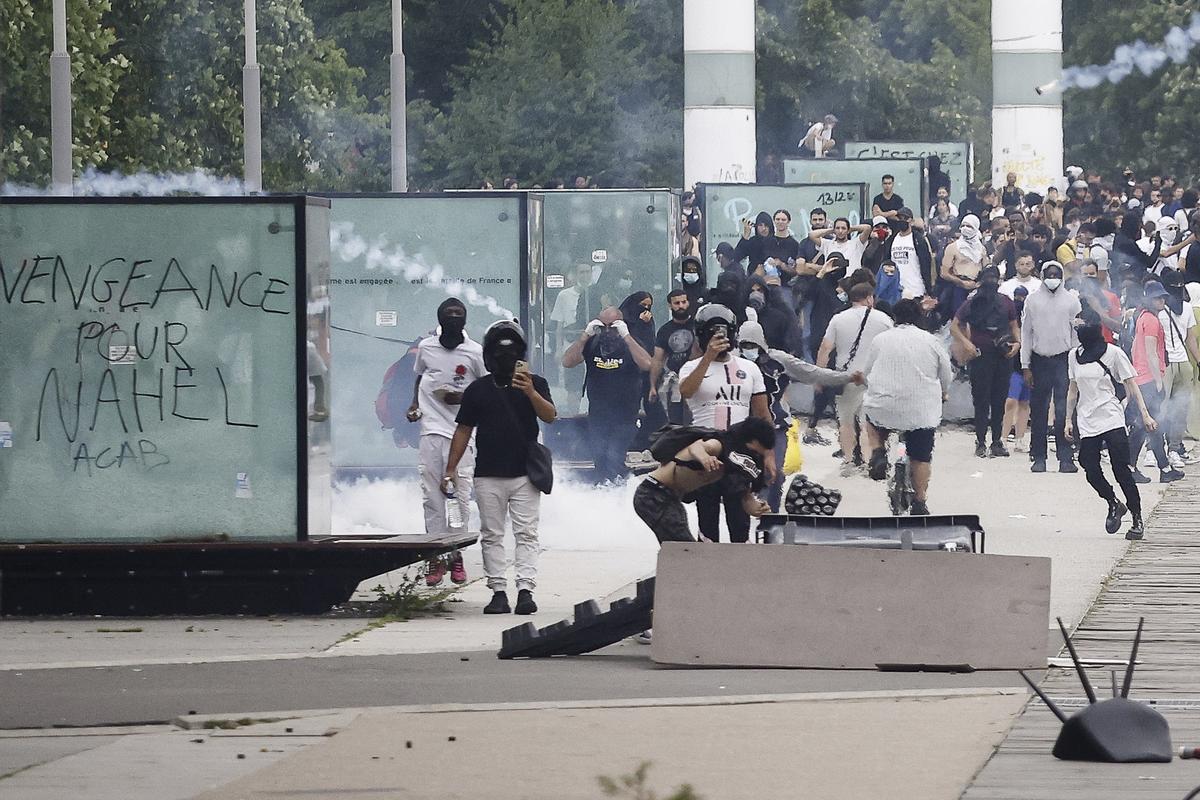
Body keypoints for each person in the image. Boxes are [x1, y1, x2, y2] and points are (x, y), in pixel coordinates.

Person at [446, 321, 556, 615]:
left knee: (526, 534)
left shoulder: (536, 383)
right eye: (500, 351)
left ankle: (525, 589)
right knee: (492, 534)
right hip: (487, 474)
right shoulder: (477, 390)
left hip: (525, 474)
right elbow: (463, 430)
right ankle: (498, 591)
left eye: (512, 352)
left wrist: (531, 392)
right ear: (490, 356)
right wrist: (450, 468)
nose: (506, 358)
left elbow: (550, 416)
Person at [409, 299, 488, 587]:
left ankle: (455, 555)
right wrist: (413, 404)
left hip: (462, 431)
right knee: (432, 497)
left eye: (459, 315)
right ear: (440, 317)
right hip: (430, 430)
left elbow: (486, 387)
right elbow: (418, 377)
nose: (454, 318)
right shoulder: (427, 347)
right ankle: (434, 557)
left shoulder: (475, 352)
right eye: (449, 314)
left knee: (458, 496)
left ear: (465, 320)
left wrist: (462, 398)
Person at [679, 304, 773, 543]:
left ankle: (738, 570)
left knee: (740, 521)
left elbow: (762, 415)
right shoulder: (690, 368)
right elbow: (687, 391)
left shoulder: (749, 368)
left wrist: (769, 455)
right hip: (705, 451)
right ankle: (707, 569)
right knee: (707, 519)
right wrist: (708, 357)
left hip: (740, 454)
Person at [1065, 322, 1156, 540]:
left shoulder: (1114, 353)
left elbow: (1132, 385)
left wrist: (1145, 414)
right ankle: (1113, 502)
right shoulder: (1073, 356)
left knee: (1121, 469)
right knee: (1089, 466)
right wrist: (1068, 419)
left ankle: (1136, 517)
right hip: (1087, 420)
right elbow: (1072, 389)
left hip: (1111, 417)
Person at [862, 299, 953, 516]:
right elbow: (946, 375)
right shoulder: (932, 342)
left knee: (870, 417)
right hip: (920, 412)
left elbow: (867, 372)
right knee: (921, 456)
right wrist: (944, 392)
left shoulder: (880, 340)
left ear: (895, 317)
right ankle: (920, 502)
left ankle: (877, 451)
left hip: (884, 407)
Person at [633, 417, 775, 544]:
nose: (754, 457)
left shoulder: (739, 468)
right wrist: (704, 457)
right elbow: (697, 447)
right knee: (684, 549)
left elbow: (746, 499)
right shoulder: (720, 445)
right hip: (653, 494)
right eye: (753, 451)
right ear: (745, 441)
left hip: (672, 499)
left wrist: (757, 508)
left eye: (759, 455)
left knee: (679, 548)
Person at [561, 306, 652, 484]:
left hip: (625, 413)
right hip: (598, 412)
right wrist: (584, 336)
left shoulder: (631, 343)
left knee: (615, 456)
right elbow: (567, 362)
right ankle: (604, 494)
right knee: (600, 458)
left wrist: (626, 336)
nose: (608, 331)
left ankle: (618, 493)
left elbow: (647, 364)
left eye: (613, 326)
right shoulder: (593, 343)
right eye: (603, 326)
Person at [818, 282, 894, 476]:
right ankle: (869, 461)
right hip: (873, 377)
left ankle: (849, 460)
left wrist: (820, 375)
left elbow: (826, 348)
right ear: (869, 298)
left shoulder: (838, 319)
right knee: (867, 421)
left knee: (845, 420)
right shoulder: (883, 319)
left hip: (846, 376)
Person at [951, 267, 1021, 458]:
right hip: (980, 355)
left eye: (994, 278)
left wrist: (1017, 343)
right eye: (988, 278)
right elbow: (955, 325)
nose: (992, 281)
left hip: (1003, 354)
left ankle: (997, 441)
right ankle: (981, 441)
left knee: (999, 400)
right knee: (981, 400)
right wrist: (967, 343)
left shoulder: (1006, 302)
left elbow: (1014, 326)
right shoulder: (971, 303)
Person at [1019, 261, 1081, 473]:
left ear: (1062, 276)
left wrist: (1076, 365)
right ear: (1043, 275)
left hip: (1064, 360)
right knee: (1039, 411)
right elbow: (1026, 334)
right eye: (1049, 274)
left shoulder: (1072, 301)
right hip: (1039, 360)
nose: (1052, 277)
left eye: (1056, 274)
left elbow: (1076, 335)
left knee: (1064, 410)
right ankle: (1039, 457)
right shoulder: (1032, 300)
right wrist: (1025, 365)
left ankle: (1066, 457)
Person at [1126, 281, 1184, 484]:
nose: (1162, 301)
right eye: (1158, 298)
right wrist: (1158, 380)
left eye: (1163, 297)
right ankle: (1147, 467)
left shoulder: (1142, 316)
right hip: (1149, 379)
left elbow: (1135, 347)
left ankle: (1161, 467)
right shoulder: (1151, 320)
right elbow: (1151, 352)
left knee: (1147, 425)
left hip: (1141, 376)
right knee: (1148, 425)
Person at [1158, 270, 1200, 468]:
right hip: (1164, 363)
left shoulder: (1188, 309)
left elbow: (1190, 338)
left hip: (1183, 361)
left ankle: (1174, 449)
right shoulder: (1158, 309)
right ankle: (1155, 449)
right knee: (1161, 408)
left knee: (1180, 408)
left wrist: (1199, 361)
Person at [620, 292, 667, 454]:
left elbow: (650, 343)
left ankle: (647, 441)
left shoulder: (648, 320)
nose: (646, 309)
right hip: (627, 372)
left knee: (654, 409)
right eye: (643, 305)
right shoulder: (623, 322)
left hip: (647, 372)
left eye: (649, 306)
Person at [649, 289, 697, 424]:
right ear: (670, 305)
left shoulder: (698, 325)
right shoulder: (665, 330)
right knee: (675, 422)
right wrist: (653, 386)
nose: (681, 306)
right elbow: (658, 360)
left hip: (697, 379)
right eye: (677, 303)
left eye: (684, 302)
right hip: (674, 381)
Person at [880, 208, 937, 300]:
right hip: (895, 291)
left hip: (916, 291)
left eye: (905, 218)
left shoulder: (918, 239)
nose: (902, 221)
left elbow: (926, 265)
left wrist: (929, 289)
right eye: (899, 218)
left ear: (911, 221)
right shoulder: (892, 239)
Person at [940, 213, 988, 314]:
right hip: (959, 288)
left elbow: (986, 268)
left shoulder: (981, 249)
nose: (965, 228)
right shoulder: (953, 247)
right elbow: (944, 273)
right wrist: (961, 282)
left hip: (976, 287)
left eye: (969, 226)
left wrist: (978, 284)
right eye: (963, 226)